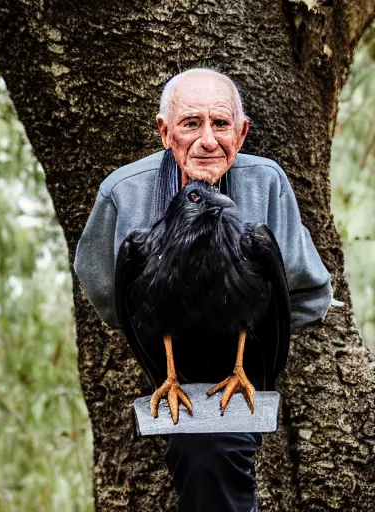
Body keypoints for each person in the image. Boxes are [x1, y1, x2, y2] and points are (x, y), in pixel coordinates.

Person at [74, 69, 332, 512]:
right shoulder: (123, 192)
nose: (208, 140)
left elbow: (305, 287)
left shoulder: (265, 182)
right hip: (168, 349)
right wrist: (157, 322)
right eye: (191, 123)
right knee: (200, 453)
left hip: (244, 347)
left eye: (221, 124)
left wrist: (256, 327)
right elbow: (102, 284)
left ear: (242, 132)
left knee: (214, 451)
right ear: (164, 132)